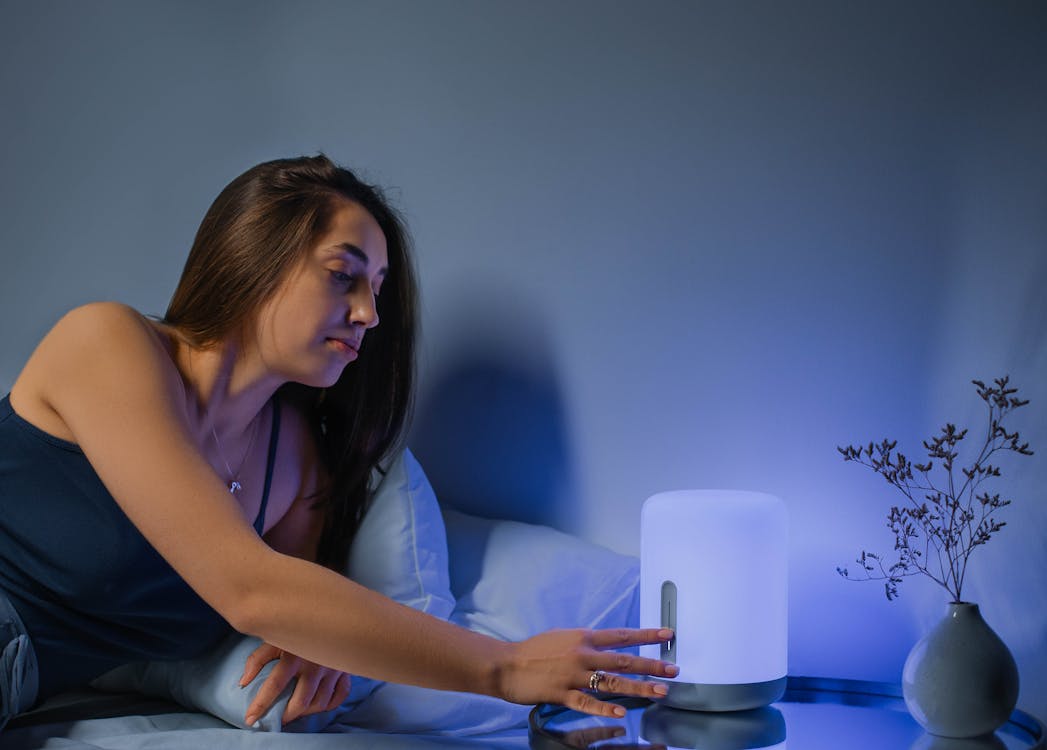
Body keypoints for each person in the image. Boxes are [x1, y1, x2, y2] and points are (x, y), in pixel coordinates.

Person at [0, 155, 677, 733]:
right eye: (342, 274)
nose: (369, 314)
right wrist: (504, 666)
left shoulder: (293, 462)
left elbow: (289, 613)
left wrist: (320, 641)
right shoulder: (106, 343)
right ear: (252, 258)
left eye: (377, 289)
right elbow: (253, 590)